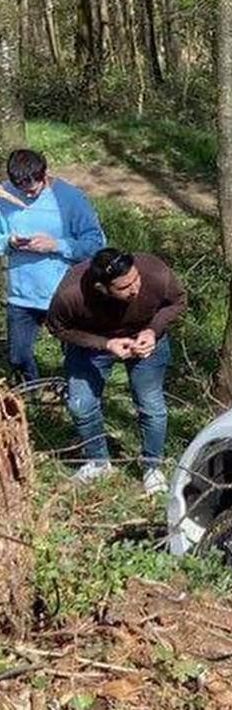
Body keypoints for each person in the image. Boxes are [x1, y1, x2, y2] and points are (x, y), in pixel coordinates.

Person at [47, 248, 187, 494]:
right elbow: (58, 328)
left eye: (136, 280)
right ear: (102, 288)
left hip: (146, 338)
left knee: (151, 404)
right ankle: (98, 462)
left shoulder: (154, 271)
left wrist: (153, 330)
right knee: (81, 404)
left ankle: (152, 466)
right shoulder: (71, 294)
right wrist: (105, 345)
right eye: (124, 287)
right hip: (93, 342)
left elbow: (178, 301)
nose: (134, 288)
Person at [0, 149, 106, 382]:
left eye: (32, 186)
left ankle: (75, 394)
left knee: (75, 354)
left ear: (44, 173)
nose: (27, 192)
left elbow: (95, 243)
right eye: (20, 186)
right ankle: (32, 395)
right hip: (22, 294)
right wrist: (9, 241)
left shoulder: (70, 198)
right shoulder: (3, 197)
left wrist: (55, 245)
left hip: (64, 292)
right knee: (18, 356)